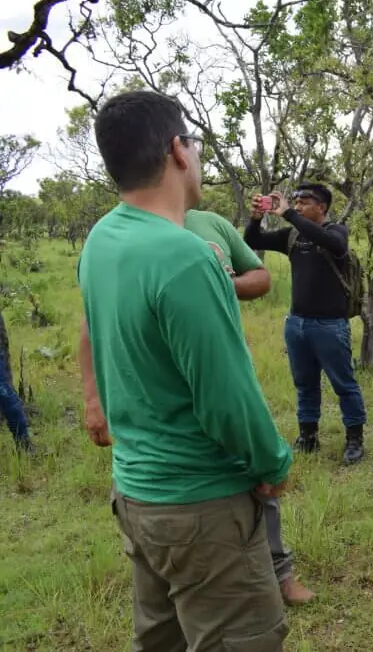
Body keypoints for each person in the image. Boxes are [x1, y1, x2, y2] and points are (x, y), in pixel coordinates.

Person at [77, 89, 293, 650]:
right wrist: (273, 460)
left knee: (161, 639)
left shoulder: (102, 239)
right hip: (202, 504)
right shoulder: (185, 256)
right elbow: (225, 398)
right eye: (193, 141)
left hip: (138, 495)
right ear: (178, 150)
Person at [79, 206, 315, 606]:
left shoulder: (204, 226)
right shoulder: (135, 242)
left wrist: (220, 284)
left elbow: (260, 277)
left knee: (163, 622)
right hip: (188, 474)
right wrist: (91, 397)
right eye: (192, 143)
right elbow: (92, 321)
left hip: (166, 463)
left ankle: (279, 572)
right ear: (176, 153)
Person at [244, 185, 368, 465]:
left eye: (304, 202)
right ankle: (308, 436)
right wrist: (254, 217)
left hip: (330, 325)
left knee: (343, 384)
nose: (298, 206)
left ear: (322, 206)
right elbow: (253, 240)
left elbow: (333, 244)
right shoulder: (293, 235)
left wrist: (288, 213)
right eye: (295, 202)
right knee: (305, 383)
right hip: (297, 324)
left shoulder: (338, 231)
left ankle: (354, 439)